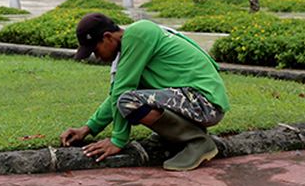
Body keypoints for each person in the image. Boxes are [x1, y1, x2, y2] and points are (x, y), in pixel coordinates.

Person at [59, 12, 230, 171]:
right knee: (129, 99)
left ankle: (197, 141)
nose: (97, 57)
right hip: (195, 100)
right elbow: (115, 96)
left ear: (107, 37)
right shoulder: (133, 45)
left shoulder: (137, 34)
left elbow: (121, 94)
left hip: (204, 101)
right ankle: (177, 137)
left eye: (95, 50)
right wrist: (87, 129)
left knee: (129, 102)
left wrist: (117, 140)